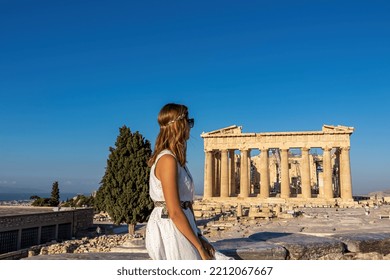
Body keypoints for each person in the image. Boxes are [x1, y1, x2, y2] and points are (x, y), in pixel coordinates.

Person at [145, 103, 230, 260]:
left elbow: (186, 204)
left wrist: (199, 237)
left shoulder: (177, 160)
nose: (191, 127)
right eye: (189, 122)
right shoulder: (167, 160)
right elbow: (174, 211)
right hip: (170, 226)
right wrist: (198, 246)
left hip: (182, 225)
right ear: (179, 125)